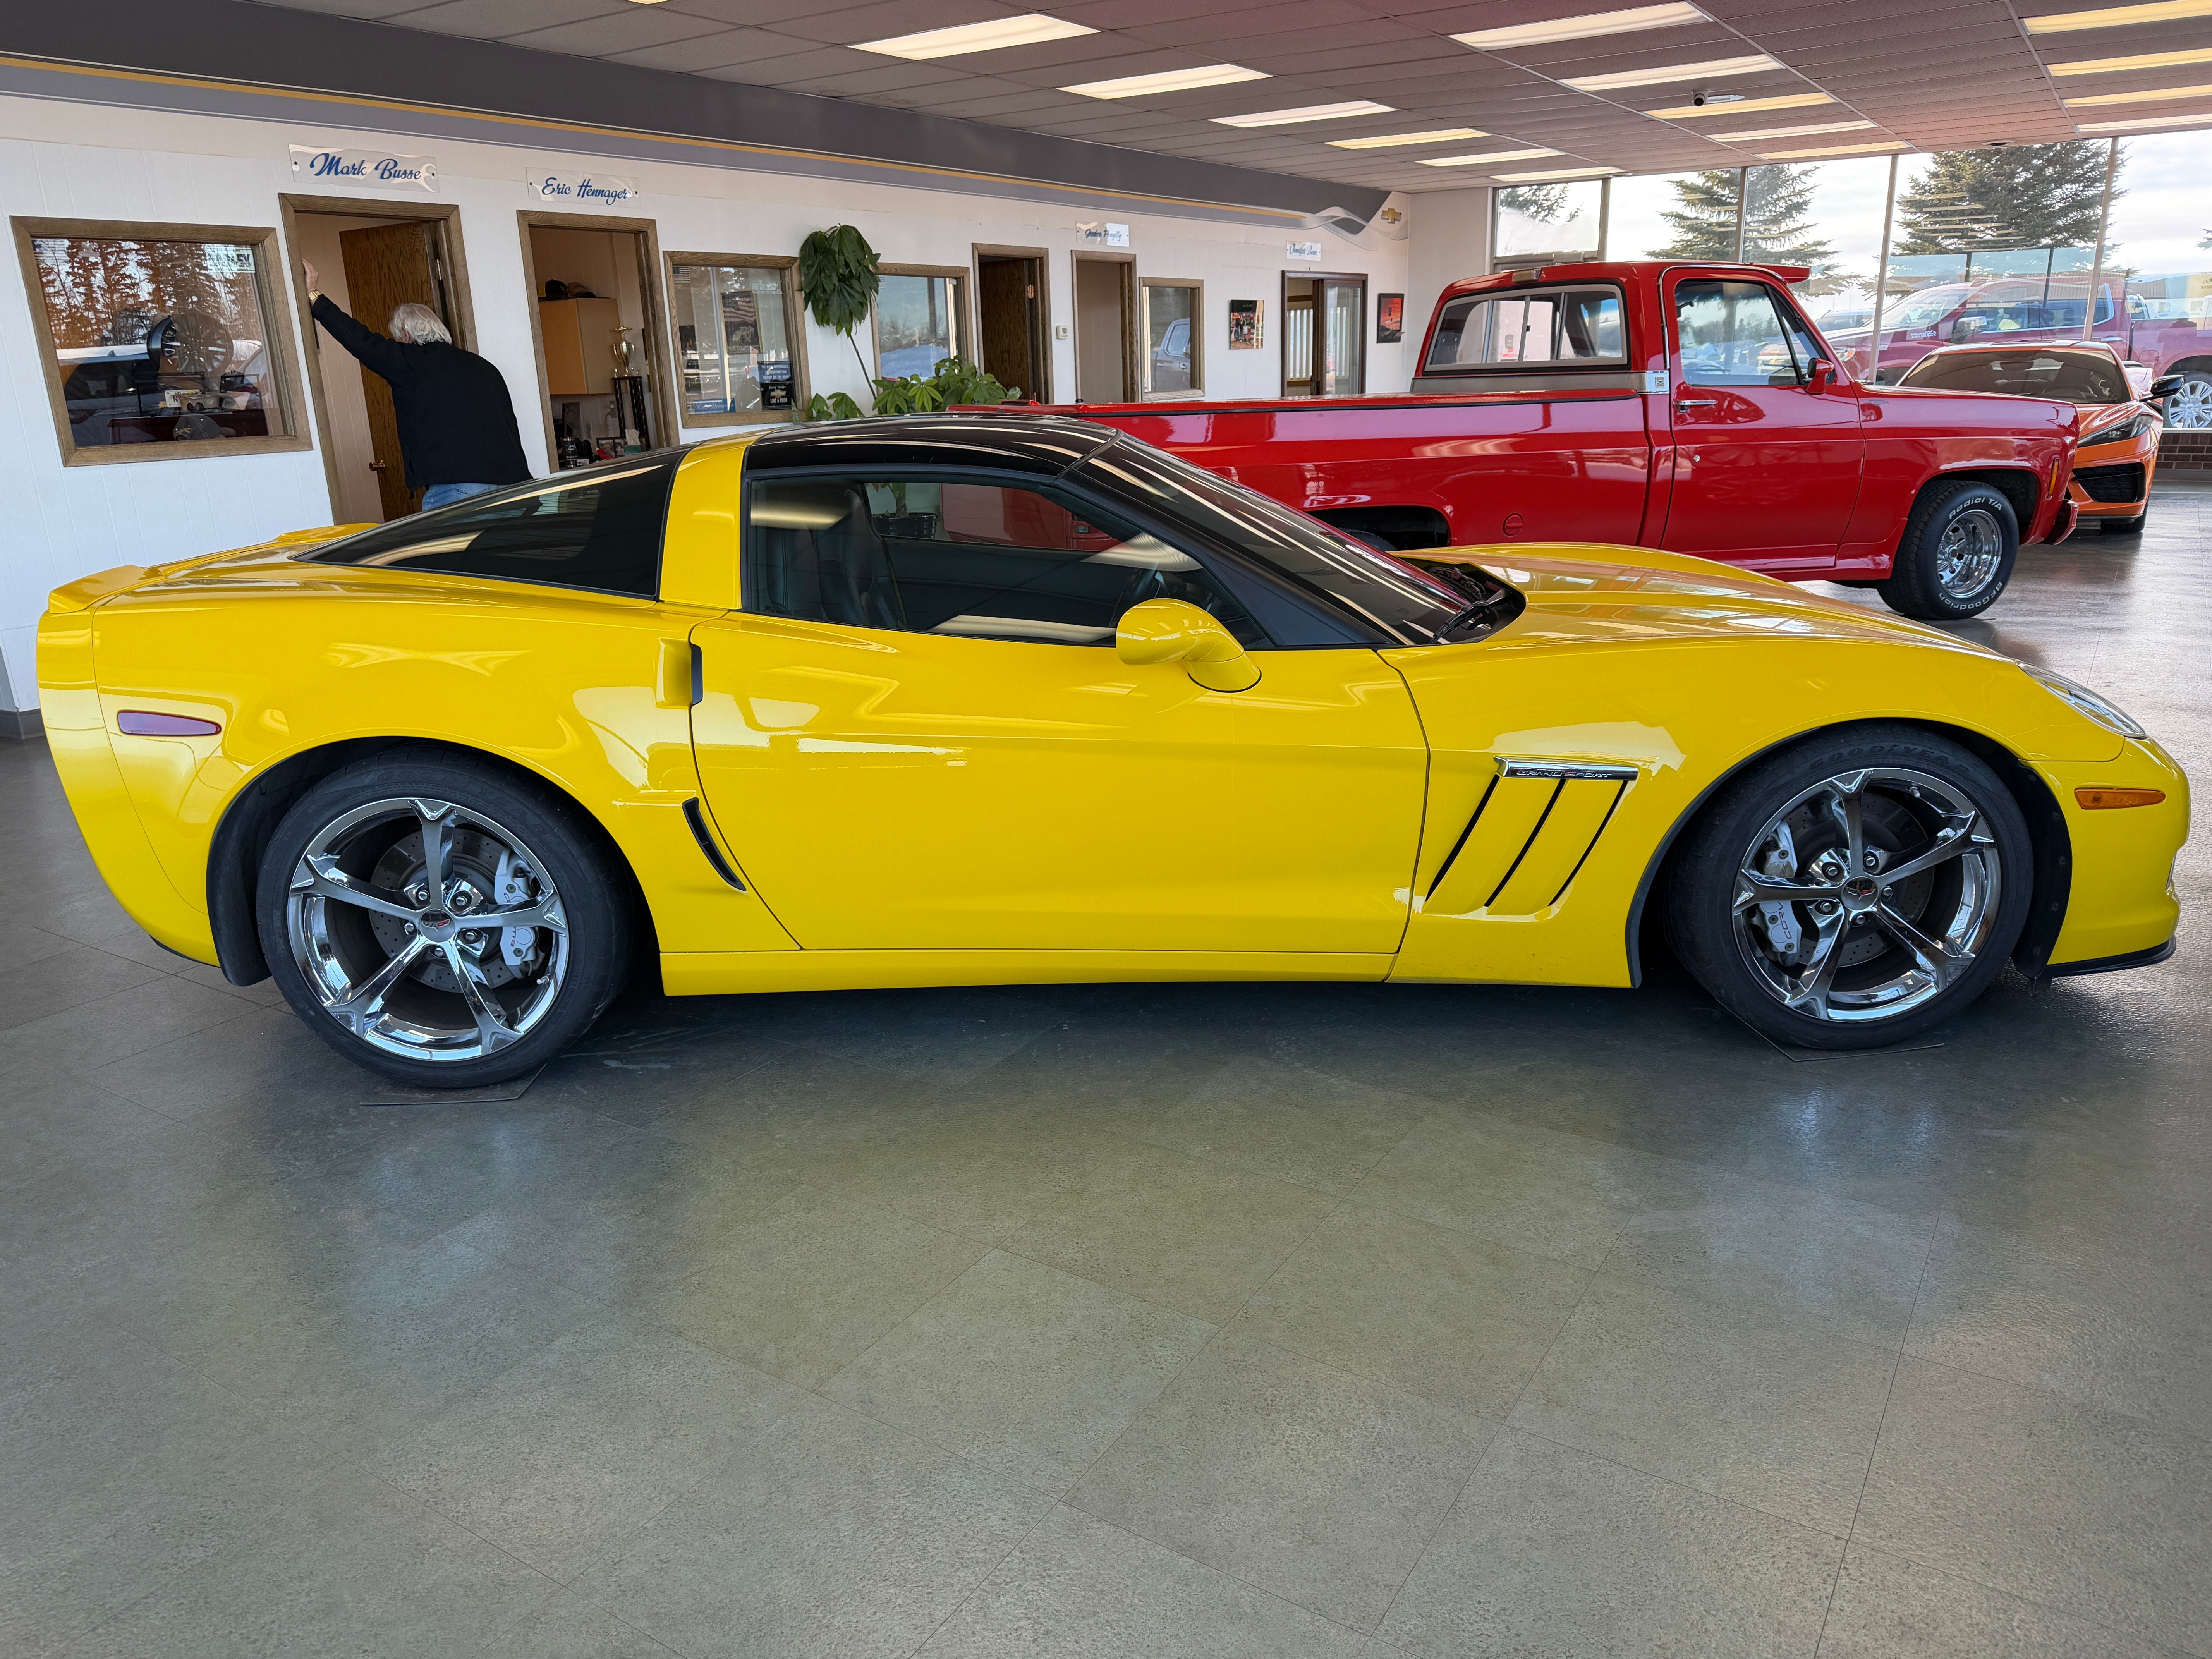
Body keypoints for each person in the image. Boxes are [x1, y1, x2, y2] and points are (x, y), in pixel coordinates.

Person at [302, 259, 531, 510]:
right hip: (515, 488)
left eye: (397, 339)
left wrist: (314, 296)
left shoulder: (412, 362)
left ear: (406, 335)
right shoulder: (485, 367)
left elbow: (361, 341)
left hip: (461, 489)